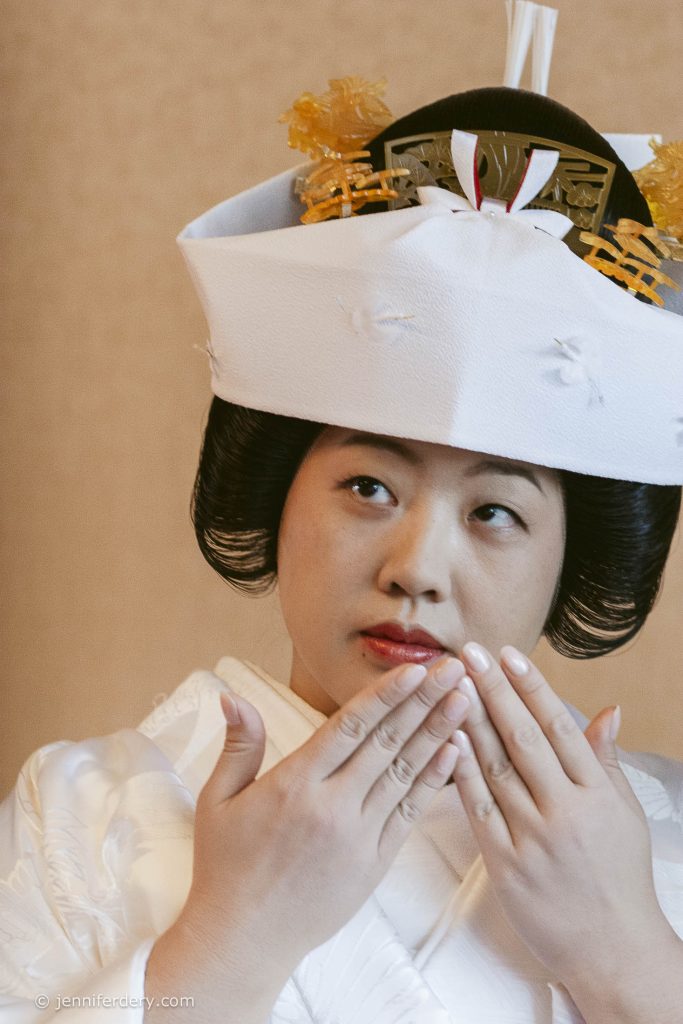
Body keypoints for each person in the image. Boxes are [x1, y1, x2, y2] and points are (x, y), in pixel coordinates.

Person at [2, 4, 683, 1022]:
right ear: (277, 493)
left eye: (495, 512)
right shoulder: (85, 810)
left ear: (568, 560)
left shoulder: (656, 845)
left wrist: (626, 955)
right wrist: (229, 941)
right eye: (369, 486)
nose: (417, 566)